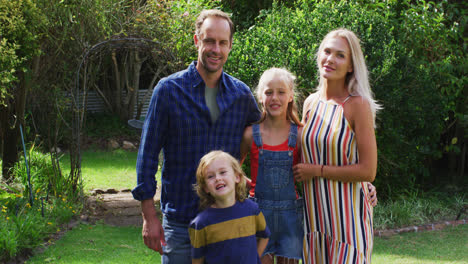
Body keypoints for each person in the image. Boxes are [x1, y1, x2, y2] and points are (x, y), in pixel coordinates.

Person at [131, 10, 261, 263]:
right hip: (181, 224)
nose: (216, 49)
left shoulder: (241, 95)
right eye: (209, 41)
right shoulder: (169, 91)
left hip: (227, 224)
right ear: (196, 40)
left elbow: (262, 137)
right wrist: (149, 216)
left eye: (223, 42)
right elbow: (147, 155)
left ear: (230, 46)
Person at [293, 28, 380, 263]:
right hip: (315, 220)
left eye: (340, 55)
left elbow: (368, 170)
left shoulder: (358, 105)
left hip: (348, 222)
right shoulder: (310, 103)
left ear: (351, 66)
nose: (330, 59)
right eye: (327, 51)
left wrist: (317, 171)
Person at [240, 68, 304, 264]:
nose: (274, 98)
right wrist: (246, 183)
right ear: (260, 97)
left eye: (281, 92)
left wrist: (365, 185)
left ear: (291, 96)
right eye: (268, 92)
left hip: (290, 218)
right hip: (258, 214)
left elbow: (319, 169)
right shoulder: (250, 134)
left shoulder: (301, 135)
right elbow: (233, 169)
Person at [189, 150, 270, 264]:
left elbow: (265, 236)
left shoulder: (252, 209)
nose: (217, 178)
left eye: (222, 172)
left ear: (237, 177)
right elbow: (197, 260)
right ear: (206, 188)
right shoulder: (201, 223)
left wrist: (255, 258)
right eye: (210, 176)